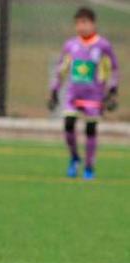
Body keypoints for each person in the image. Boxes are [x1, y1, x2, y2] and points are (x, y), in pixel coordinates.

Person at [48, 6, 119, 179]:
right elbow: (61, 69)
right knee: (69, 124)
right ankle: (74, 158)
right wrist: (54, 90)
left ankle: (89, 166)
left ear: (93, 24)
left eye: (85, 22)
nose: (81, 27)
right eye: (78, 23)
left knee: (90, 129)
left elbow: (113, 68)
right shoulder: (71, 45)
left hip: (94, 95)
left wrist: (112, 90)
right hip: (73, 94)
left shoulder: (103, 46)